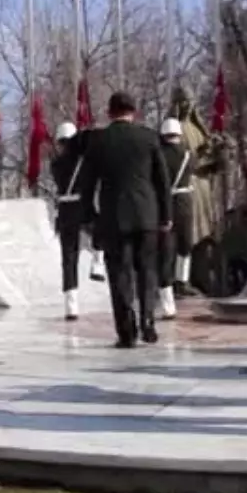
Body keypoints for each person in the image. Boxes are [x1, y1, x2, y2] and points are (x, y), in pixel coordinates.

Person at [80, 92, 171, 347]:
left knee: (119, 274)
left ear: (110, 112)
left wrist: (89, 216)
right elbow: (162, 182)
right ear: (135, 111)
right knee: (148, 270)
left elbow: (87, 183)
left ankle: (126, 330)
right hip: (147, 215)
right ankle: (148, 322)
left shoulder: (98, 140)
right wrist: (166, 216)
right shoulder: (149, 137)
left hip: (113, 217)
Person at [50, 121, 105, 321]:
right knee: (101, 229)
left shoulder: (55, 164)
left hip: (65, 210)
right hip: (83, 206)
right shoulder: (84, 161)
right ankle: (98, 263)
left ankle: (71, 306)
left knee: (69, 258)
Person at [156, 118, 195, 319]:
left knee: (166, 250)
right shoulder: (188, 154)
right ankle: (183, 280)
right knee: (185, 244)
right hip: (185, 201)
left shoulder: (159, 154)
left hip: (164, 203)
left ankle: (167, 296)